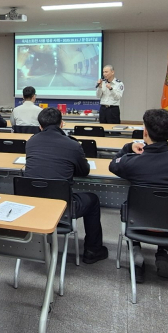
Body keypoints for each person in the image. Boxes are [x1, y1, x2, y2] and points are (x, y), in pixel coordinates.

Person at [108, 109, 168, 283]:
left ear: (145, 132)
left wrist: (128, 147)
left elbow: (113, 164)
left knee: (136, 208)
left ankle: (136, 253)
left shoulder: (134, 163)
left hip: (138, 225)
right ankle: (164, 253)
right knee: (166, 208)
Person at [23, 107, 108, 264]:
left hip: (34, 207)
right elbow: (84, 170)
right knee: (93, 200)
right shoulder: (72, 145)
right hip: (63, 208)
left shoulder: (31, 142)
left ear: (40, 126)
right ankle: (92, 250)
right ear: (62, 124)